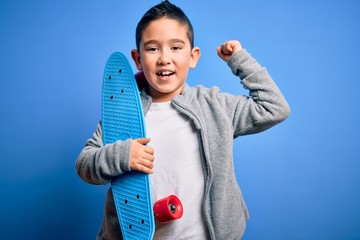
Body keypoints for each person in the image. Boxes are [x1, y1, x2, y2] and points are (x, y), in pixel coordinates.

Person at [75, 1, 290, 239]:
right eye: (153, 48)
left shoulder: (215, 106)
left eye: (176, 48)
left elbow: (274, 107)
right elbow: (84, 165)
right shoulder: (122, 112)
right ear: (137, 59)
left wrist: (239, 61)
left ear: (193, 56)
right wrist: (121, 156)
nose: (164, 58)